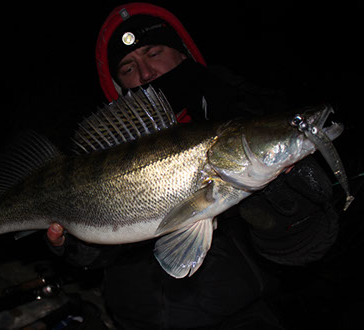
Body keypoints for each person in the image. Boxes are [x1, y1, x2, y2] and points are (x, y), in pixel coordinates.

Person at [46, 3, 339, 329]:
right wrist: (75, 248)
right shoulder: (109, 146)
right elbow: (97, 249)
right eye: (128, 69)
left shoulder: (245, 107)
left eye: (154, 52)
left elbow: (311, 248)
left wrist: (286, 215)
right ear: (117, 87)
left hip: (246, 315)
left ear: (184, 52)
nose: (145, 74)